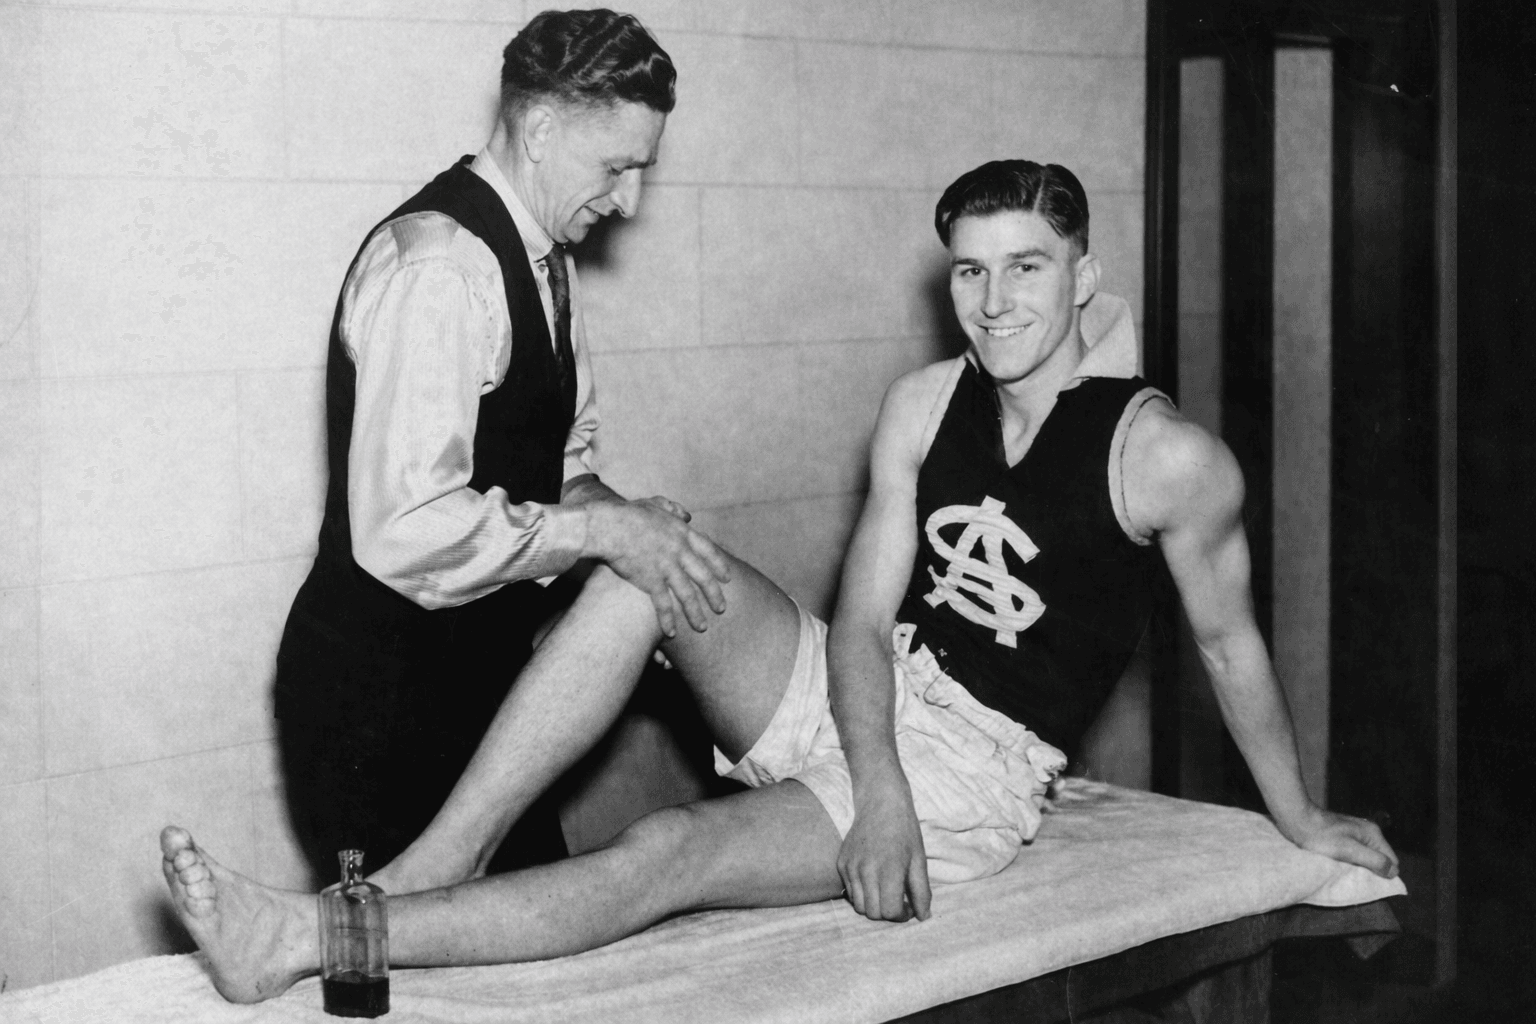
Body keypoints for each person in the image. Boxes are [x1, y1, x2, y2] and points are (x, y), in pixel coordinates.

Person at [161, 159, 1399, 1004]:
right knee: (647, 564)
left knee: (669, 847)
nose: (995, 303)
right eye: (971, 272)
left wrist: (1299, 818)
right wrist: (874, 783)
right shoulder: (924, 405)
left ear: (1083, 276)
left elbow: (1232, 647)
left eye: (1028, 268)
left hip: (978, 764)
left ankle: (307, 936)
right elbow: (860, 620)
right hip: (871, 688)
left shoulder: (1166, 458)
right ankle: (432, 866)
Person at [273, 8, 732, 885]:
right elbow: (406, 528)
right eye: (617, 167)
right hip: (372, 705)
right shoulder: (438, 266)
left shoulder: (546, 260)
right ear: (541, 129)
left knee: (516, 930)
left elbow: (557, 462)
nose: (628, 202)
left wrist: (636, 534)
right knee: (392, 948)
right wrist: (600, 535)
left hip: (481, 694)